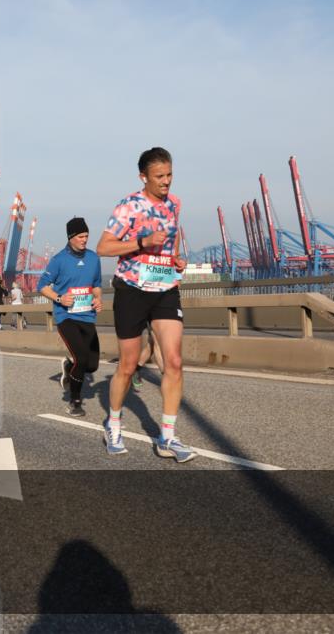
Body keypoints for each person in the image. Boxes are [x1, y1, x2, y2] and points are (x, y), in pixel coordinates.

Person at [97, 147, 195, 462]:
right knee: (127, 366)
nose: (166, 182)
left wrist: (176, 259)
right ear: (144, 177)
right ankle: (113, 424)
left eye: (169, 175)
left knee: (175, 362)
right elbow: (103, 247)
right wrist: (140, 242)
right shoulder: (129, 207)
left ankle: (167, 437)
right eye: (159, 176)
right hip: (132, 289)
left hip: (166, 286)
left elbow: (172, 238)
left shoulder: (175, 204)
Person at [37, 217, 103, 417]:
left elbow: (97, 285)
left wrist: (98, 300)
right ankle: (75, 401)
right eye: (81, 236)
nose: (85, 240)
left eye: (87, 236)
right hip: (66, 317)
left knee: (91, 365)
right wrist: (59, 297)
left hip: (87, 317)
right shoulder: (58, 260)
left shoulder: (93, 258)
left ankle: (68, 366)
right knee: (81, 358)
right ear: (71, 237)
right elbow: (42, 286)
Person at [131, 323, 164, 391]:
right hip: (154, 314)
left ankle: (134, 370)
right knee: (157, 342)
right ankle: (166, 377)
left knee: (151, 344)